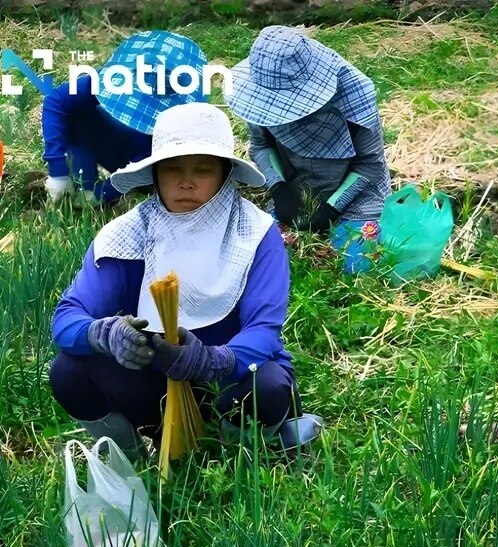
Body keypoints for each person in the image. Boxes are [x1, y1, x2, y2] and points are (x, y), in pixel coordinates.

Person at [49, 102, 323, 455]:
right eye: (173, 169)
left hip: (230, 383)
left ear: (225, 175)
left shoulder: (255, 232)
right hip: (153, 385)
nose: (187, 182)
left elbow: (263, 331)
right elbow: (67, 319)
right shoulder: (127, 234)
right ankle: (133, 453)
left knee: (268, 385)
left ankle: (235, 449)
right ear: (155, 175)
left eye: (204, 170)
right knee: (68, 371)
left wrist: (213, 361)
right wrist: (104, 334)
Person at [226, 25, 391, 274]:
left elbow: (369, 164)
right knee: (266, 261)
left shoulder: (354, 96)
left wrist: (332, 208)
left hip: (357, 195)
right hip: (295, 192)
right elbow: (261, 145)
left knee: (353, 265)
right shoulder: (257, 94)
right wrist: (279, 189)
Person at [40, 30, 208, 205]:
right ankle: (82, 183)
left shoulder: (185, 119)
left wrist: (104, 193)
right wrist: (57, 170)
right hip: (108, 142)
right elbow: (56, 101)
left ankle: (94, 193)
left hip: (149, 165)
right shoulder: (108, 80)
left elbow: (154, 159)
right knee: (76, 115)